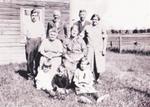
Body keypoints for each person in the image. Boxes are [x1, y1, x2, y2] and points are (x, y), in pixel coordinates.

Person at [84, 14, 108, 82]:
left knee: (98, 64)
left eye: (96, 19)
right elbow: (82, 36)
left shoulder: (102, 27)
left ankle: (98, 78)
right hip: (90, 48)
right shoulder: (87, 27)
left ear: (98, 20)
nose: (95, 21)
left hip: (99, 49)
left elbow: (105, 39)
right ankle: (90, 78)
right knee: (90, 63)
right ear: (91, 20)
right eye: (93, 19)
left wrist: (104, 49)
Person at [24, 9, 46, 79]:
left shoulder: (40, 24)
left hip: (38, 41)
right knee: (29, 59)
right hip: (30, 41)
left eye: (35, 15)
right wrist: (26, 42)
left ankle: (37, 74)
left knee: (38, 58)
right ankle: (30, 74)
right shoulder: (27, 24)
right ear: (30, 16)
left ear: (38, 16)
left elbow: (43, 35)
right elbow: (24, 34)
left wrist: (43, 43)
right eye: (32, 15)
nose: (34, 17)